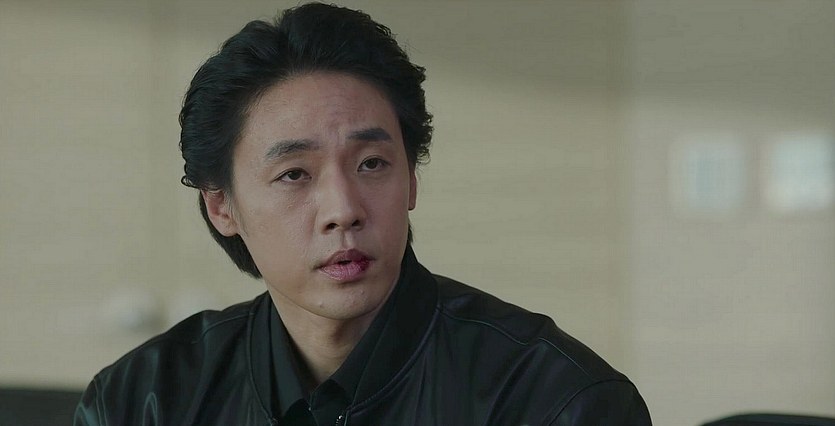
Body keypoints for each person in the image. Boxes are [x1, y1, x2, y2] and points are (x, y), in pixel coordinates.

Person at [75, 3, 651, 425]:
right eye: (294, 174)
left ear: (412, 180)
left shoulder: (556, 402)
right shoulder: (140, 402)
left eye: (372, 164)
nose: (344, 210)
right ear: (222, 205)